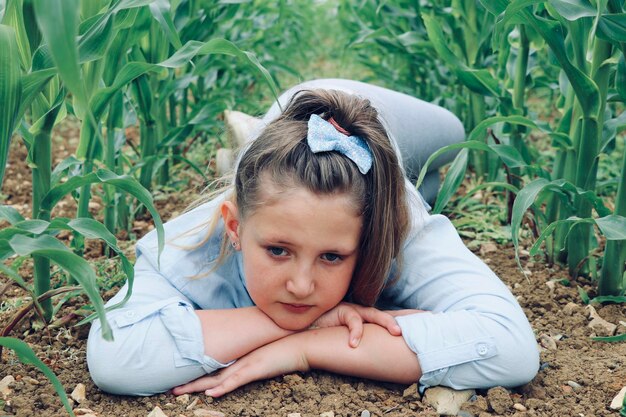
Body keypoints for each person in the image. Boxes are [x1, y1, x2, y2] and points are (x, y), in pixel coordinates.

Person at [87, 79, 539, 397]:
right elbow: (116, 354)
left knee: (453, 138)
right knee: (430, 183)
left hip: (364, 111)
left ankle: (259, 142)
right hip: (305, 121)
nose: (301, 287)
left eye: (332, 257)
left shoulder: (394, 224)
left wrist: (301, 348)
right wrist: (314, 319)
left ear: (368, 238)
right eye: (278, 250)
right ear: (235, 227)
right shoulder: (194, 241)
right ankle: (257, 144)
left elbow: (512, 348)